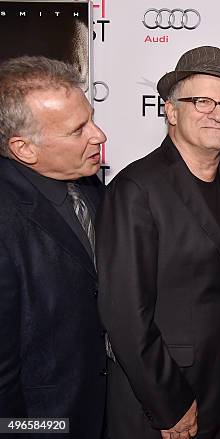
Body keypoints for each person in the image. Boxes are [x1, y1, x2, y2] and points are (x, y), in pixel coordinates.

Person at [96, 46, 220, 439]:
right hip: (166, 404)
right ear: (170, 110)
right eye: (201, 101)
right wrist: (169, 404)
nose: (217, 113)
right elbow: (126, 316)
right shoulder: (136, 189)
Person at [0, 56, 107, 437]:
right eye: (78, 130)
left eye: (91, 118)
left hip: (98, 410)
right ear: (24, 149)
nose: (99, 135)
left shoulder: (91, 186)